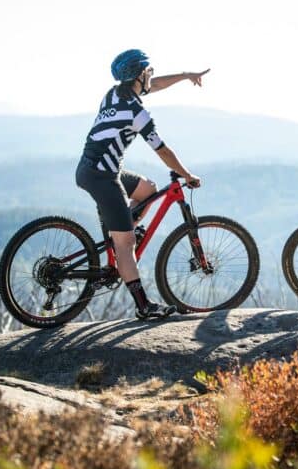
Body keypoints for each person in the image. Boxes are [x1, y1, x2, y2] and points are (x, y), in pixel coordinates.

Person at [76, 49, 208, 320]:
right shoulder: (137, 112)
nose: (152, 75)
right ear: (139, 75)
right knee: (125, 245)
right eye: (148, 71)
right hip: (103, 176)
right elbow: (162, 150)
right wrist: (186, 174)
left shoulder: (114, 94)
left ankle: (123, 227)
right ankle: (144, 306)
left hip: (93, 169)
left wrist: (185, 76)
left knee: (147, 188)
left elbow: (154, 85)